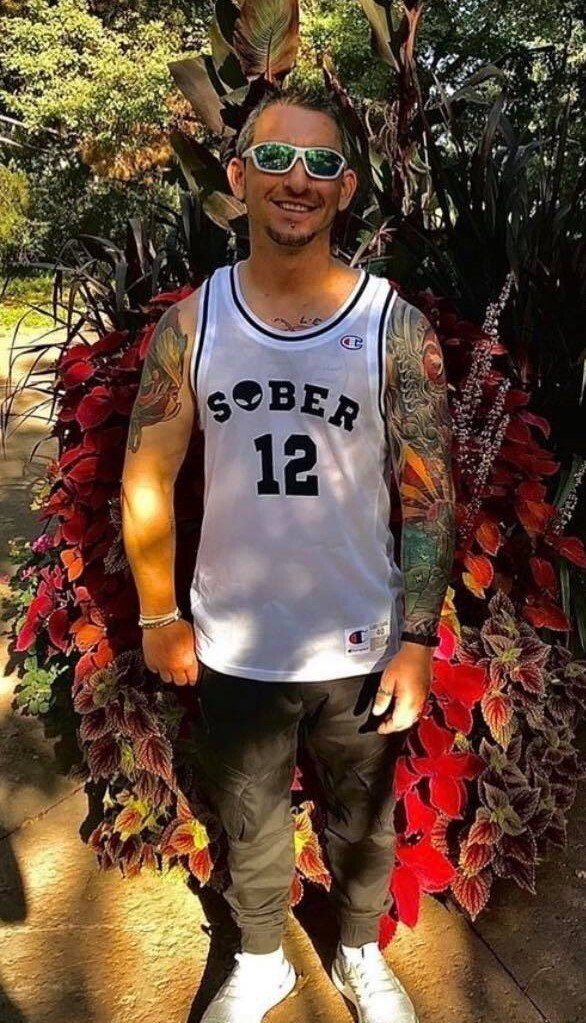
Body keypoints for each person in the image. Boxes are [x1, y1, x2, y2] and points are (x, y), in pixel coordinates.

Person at [121, 85, 456, 1023]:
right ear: (238, 177)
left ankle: (358, 952)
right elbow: (148, 469)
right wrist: (159, 611)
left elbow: (429, 491)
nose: (296, 180)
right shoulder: (195, 324)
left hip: (359, 636)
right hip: (236, 636)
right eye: (274, 158)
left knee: (365, 822)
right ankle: (261, 959)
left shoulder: (392, 326)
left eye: (320, 163)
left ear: (345, 187)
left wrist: (417, 637)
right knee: (249, 817)